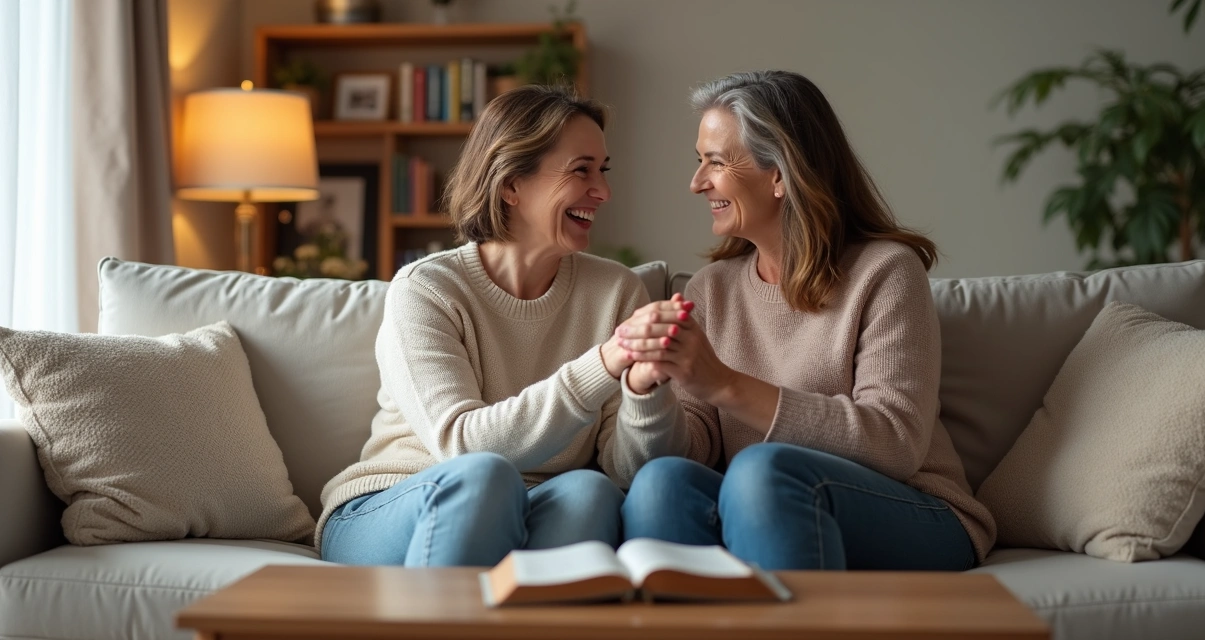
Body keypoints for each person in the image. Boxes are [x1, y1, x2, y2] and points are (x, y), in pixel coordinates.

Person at [616, 70, 996, 571]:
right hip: (766, 507)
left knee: (760, 472)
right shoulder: (712, 289)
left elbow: (895, 442)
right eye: (698, 162)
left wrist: (725, 384)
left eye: (715, 163)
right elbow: (693, 449)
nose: (696, 183)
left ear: (780, 175)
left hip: (916, 510)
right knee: (660, 485)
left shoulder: (885, 273)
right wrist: (647, 391)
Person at [317, 85, 696, 567]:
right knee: (485, 478)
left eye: (603, 170)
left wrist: (645, 390)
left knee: (592, 491)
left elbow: (628, 471)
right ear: (511, 184)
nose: (603, 191)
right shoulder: (426, 289)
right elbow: (462, 445)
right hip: (395, 503)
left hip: (534, 504)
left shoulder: (616, 291)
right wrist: (604, 362)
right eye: (582, 170)